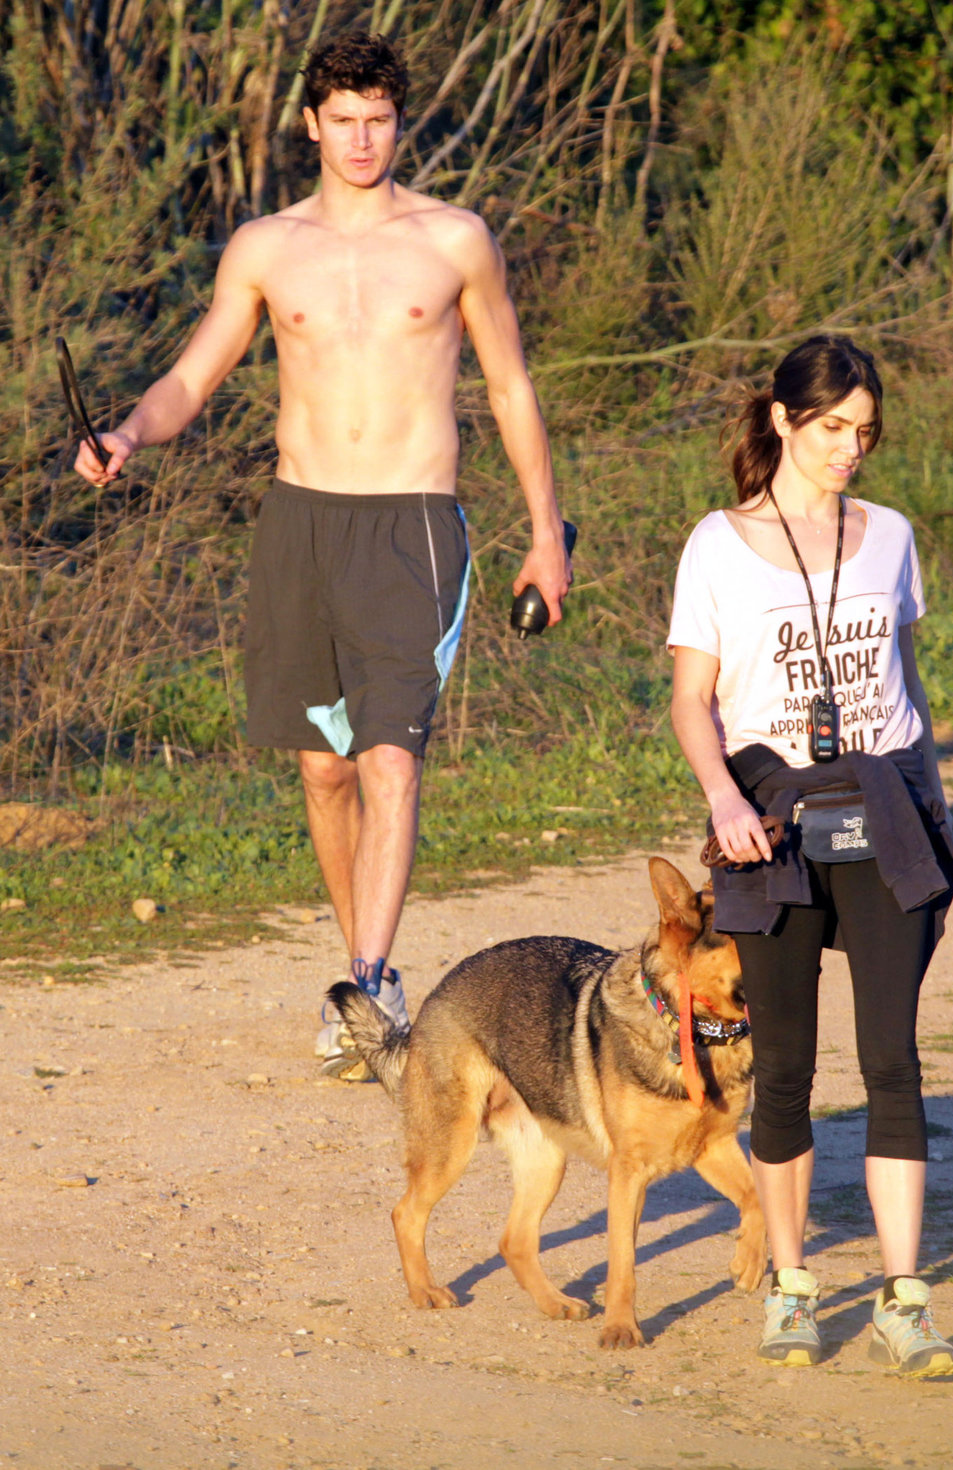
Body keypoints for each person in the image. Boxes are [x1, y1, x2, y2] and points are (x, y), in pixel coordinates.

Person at [74, 30, 571, 1076]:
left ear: (400, 122)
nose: (361, 139)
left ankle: (368, 980)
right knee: (323, 769)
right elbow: (192, 376)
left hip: (412, 524)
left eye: (378, 119)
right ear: (310, 124)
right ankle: (366, 978)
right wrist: (127, 433)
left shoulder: (455, 240)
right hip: (300, 523)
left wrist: (543, 535)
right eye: (342, 119)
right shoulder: (266, 247)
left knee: (390, 757)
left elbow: (510, 386)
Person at [668, 334, 953, 1377]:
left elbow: (906, 682)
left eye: (865, 432)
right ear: (783, 419)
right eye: (833, 427)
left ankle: (903, 1301)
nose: (850, 449)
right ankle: (791, 1289)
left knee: (893, 1062)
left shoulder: (892, 537)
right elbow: (690, 700)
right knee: (784, 1069)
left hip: (884, 813)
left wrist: (932, 811)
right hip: (771, 823)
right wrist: (721, 798)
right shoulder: (716, 544)